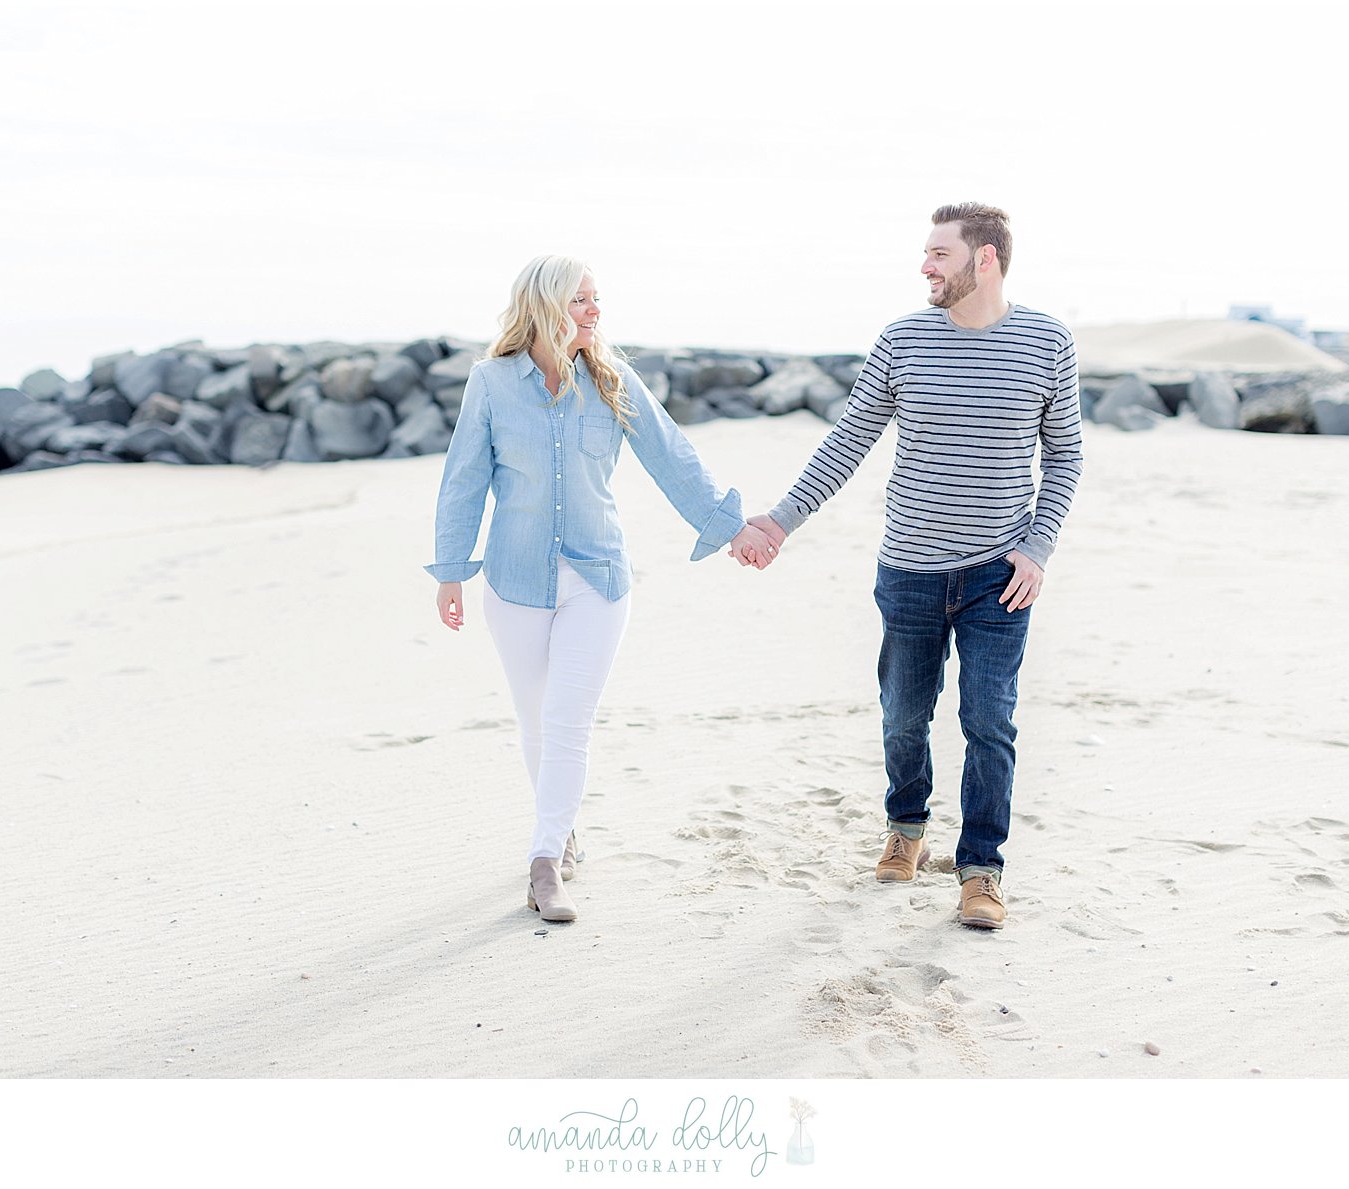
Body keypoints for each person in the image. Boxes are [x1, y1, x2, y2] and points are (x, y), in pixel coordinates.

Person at [745, 203, 1083, 929]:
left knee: (989, 719)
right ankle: (906, 826)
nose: (924, 266)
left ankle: (981, 870)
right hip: (909, 571)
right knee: (903, 715)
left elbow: (1064, 454)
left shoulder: (1046, 341)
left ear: (982, 258)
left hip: (1002, 572)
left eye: (938, 253)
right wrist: (780, 520)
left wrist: (1038, 545)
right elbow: (848, 440)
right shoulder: (901, 340)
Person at [427, 255, 777, 924]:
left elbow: (671, 457)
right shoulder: (491, 383)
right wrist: (450, 569)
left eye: (596, 299)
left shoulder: (613, 381)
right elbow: (463, 479)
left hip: (598, 578)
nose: (592, 311)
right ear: (545, 307)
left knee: (566, 719)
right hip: (515, 578)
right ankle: (560, 829)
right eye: (579, 300)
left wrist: (732, 529)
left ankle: (543, 862)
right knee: (535, 720)